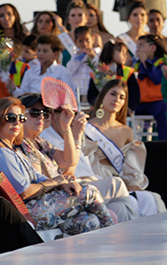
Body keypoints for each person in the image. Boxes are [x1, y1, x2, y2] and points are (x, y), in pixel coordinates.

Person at [0, 97, 115, 235]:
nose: (17, 122)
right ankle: (113, 236)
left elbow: (41, 176)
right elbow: (24, 191)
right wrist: (55, 182)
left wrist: (61, 183)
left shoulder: (14, 149)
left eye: (21, 118)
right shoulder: (2, 152)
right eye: (11, 117)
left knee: (88, 221)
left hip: (38, 206)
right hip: (26, 213)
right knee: (89, 191)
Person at [19, 93, 138, 222]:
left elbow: (68, 161)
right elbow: (40, 182)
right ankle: (128, 234)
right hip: (46, 201)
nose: (41, 117)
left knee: (112, 211)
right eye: (35, 112)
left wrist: (67, 129)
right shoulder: (21, 144)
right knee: (113, 186)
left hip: (61, 193)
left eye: (45, 112)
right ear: (21, 116)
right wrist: (60, 182)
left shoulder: (41, 142)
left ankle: (124, 236)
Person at [83, 80, 166, 216]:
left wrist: (131, 182)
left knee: (149, 199)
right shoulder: (86, 128)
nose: (117, 100)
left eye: (122, 97)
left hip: (122, 183)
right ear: (103, 96)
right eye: (113, 94)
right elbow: (85, 160)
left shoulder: (126, 131)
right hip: (98, 182)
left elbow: (131, 164)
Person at [134, 34, 167, 140]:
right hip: (140, 102)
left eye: (141, 46)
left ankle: (166, 144)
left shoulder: (164, 63)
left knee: (165, 110)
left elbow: (157, 79)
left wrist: (146, 63)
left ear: (153, 48)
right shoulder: (136, 64)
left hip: (157, 101)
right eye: (137, 47)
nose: (138, 50)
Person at [87, 41, 140, 109]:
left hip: (121, 109)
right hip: (101, 110)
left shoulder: (128, 72)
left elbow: (134, 95)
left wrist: (128, 108)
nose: (125, 56)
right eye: (122, 52)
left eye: (125, 53)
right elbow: (92, 96)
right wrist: (100, 104)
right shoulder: (98, 72)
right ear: (110, 52)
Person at [66, 25, 99, 102]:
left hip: (92, 94)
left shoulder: (98, 55)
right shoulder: (74, 56)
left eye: (87, 40)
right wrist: (78, 58)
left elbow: (100, 70)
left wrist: (92, 57)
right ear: (75, 42)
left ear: (93, 39)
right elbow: (69, 72)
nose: (84, 44)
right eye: (81, 41)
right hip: (77, 95)